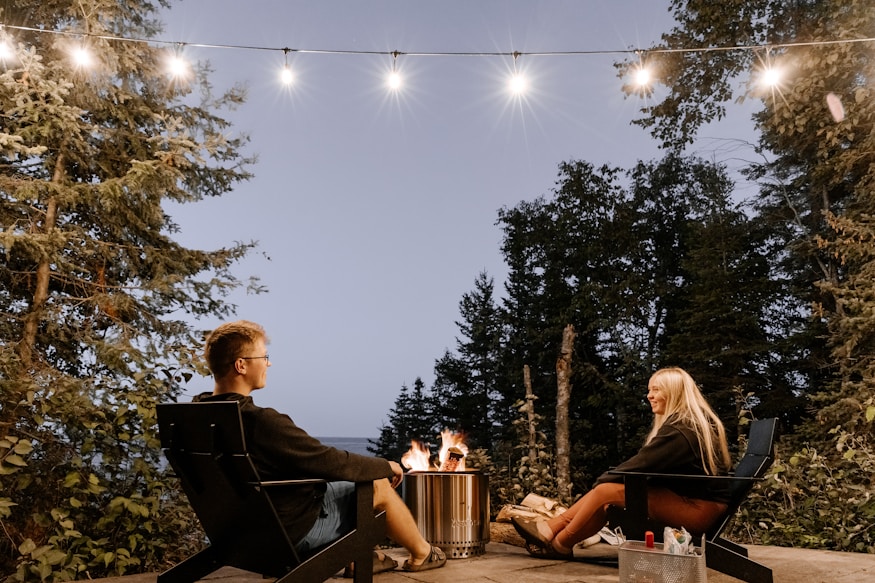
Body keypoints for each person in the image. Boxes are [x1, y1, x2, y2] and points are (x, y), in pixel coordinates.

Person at [195, 320, 446, 575]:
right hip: (287, 532)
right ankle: (422, 553)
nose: (268, 363)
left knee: (340, 488)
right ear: (241, 365)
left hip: (240, 532)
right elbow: (328, 461)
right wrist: (385, 466)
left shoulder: (198, 416)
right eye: (264, 356)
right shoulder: (259, 421)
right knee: (377, 484)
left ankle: (358, 558)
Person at [512, 367, 731, 558]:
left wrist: (602, 483)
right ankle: (558, 539)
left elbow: (642, 464)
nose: (649, 396)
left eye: (656, 390)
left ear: (674, 392)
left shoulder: (682, 430)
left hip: (697, 511)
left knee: (605, 491)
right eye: (649, 390)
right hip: (692, 503)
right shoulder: (687, 424)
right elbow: (649, 466)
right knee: (607, 500)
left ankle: (556, 540)